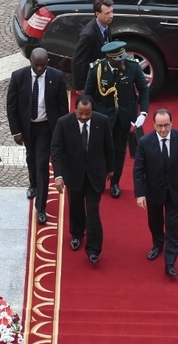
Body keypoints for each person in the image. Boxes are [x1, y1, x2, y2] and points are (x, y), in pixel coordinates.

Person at [6, 47, 69, 224]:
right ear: (30, 62)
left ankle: (40, 207)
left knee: (42, 164)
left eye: (43, 65)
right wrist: (16, 131)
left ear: (47, 63)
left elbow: (62, 106)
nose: (40, 69)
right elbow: (11, 106)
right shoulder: (18, 77)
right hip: (27, 128)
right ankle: (33, 184)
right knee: (31, 158)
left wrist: (62, 132)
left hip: (46, 128)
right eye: (36, 65)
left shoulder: (56, 77)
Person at [50, 95, 114, 263]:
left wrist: (111, 169)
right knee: (76, 206)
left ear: (92, 110)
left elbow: (109, 146)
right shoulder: (63, 123)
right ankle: (77, 233)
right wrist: (58, 175)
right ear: (75, 110)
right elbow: (56, 150)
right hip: (73, 174)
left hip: (95, 175)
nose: (84, 117)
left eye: (87, 114)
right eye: (81, 114)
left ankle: (93, 249)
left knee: (93, 211)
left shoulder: (103, 121)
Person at [133, 109, 178, 277]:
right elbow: (138, 170)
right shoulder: (145, 142)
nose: (163, 129)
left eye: (166, 125)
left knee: (171, 224)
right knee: (155, 221)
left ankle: (170, 262)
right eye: (159, 126)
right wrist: (140, 194)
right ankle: (158, 243)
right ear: (154, 125)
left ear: (172, 123)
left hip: (175, 189)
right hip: (153, 190)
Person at [85, 41, 149, 198]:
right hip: (102, 115)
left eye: (123, 58)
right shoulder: (97, 69)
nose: (122, 62)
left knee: (119, 150)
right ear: (108, 58)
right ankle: (99, 180)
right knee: (99, 149)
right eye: (118, 59)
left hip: (125, 114)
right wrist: (88, 116)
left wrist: (144, 113)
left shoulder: (132, 66)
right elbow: (88, 94)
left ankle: (115, 182)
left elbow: (143, 89)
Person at [71, 0, 114, 92]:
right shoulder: (88, 35)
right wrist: (80, 86)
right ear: (97, 14)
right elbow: (78, 61)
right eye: (107, 13)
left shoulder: (105, 24)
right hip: (92, 79)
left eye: (111, 12)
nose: (111, 15)